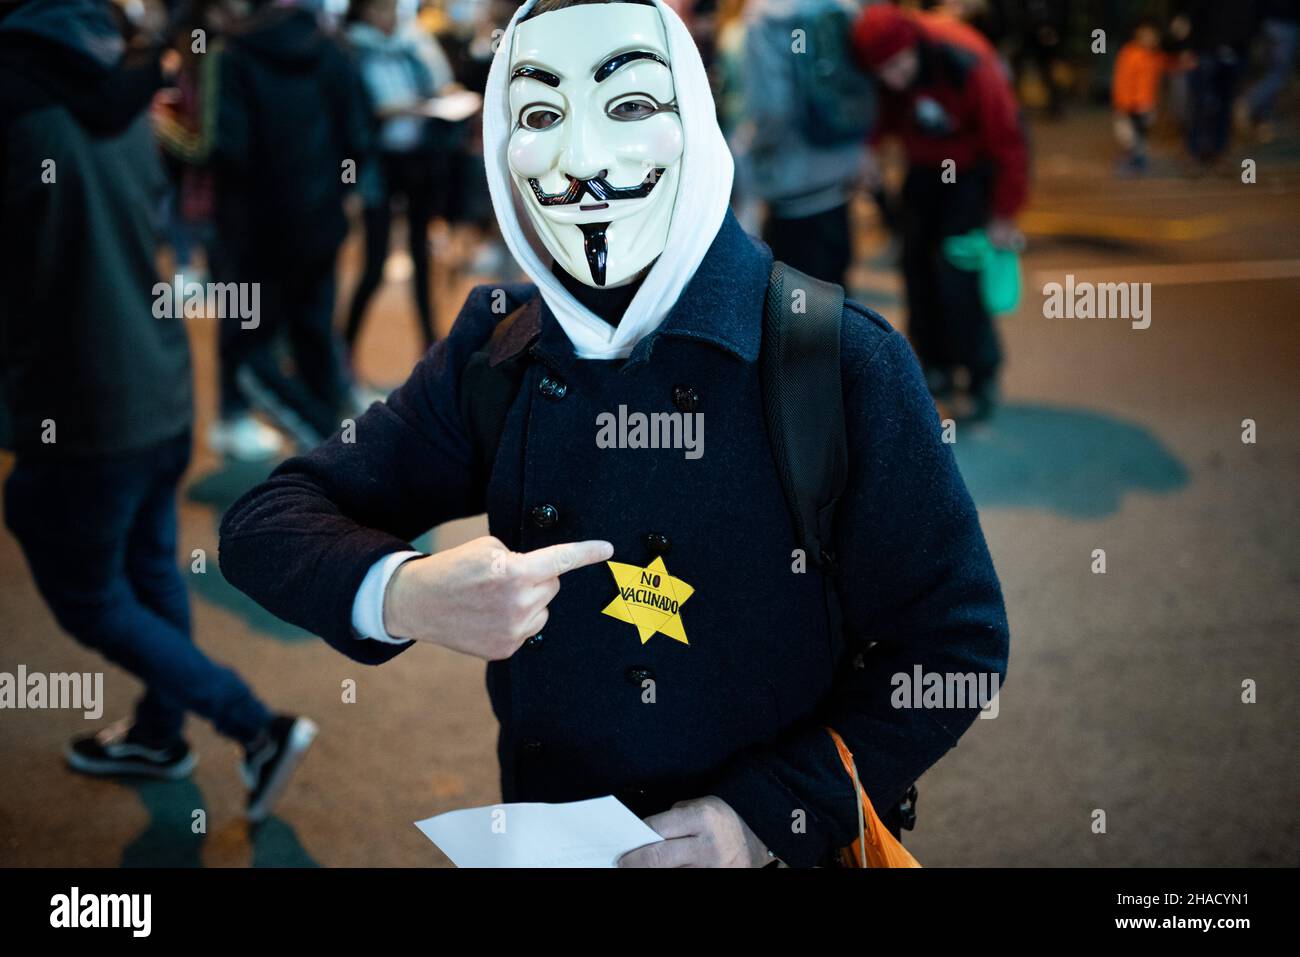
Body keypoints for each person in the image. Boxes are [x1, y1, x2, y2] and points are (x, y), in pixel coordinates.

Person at [220, 0, 1009, 868]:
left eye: (629, 105)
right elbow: (266, 521)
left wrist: (765, 815)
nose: (582, 158)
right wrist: (403, 592)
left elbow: (955, 644)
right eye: (541, 115)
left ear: (696, 121)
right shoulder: (499, 345)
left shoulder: (835, 358)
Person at [0, 0, 314, 820]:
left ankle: (253, 724)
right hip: (159, 379)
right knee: (146, 567)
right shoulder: (126, 76)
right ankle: (160, 731)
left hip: (81, 402)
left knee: (87, 593)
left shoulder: (18, 94)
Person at [853, 3, 1028, 421]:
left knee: (958, 279)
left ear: (912, 46)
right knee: (916, 270)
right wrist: (870, 151)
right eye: (883, 72)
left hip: (971, 176)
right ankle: (933, 370)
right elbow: (885, 112)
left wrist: (1004, 214)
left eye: (897, 66)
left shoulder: (968, 60)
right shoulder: (888, 68)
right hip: (924, 172)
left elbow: (1009, 141)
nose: (893, 79)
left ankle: (980, 374)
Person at [209, 0, 371, 452]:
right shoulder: (333, 49)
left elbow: (230, 147)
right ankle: (324, 442)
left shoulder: (234, 54)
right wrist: (333, 193)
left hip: (253, 230)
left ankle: (239, 418)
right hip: (319, 222)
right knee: (314, 330)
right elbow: (358, 137)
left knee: (248, 331)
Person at [344, 0, 456, 354]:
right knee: (374, 263)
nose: (388, 17)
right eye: (379, 10)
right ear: (363, 13)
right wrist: (389, 112)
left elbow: (441, 86)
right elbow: (353, 113)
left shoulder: (415, 42)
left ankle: (432, 349)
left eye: (392, 9)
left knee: (421, 258)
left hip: (419, 162)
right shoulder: (351, 50)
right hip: (378, 167)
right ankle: (345, 350)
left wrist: (438, 100)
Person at [740, 0, 874, 288]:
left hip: (793, 181)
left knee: (796, 309)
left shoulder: (764, 19)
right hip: (840, 171)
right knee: (836, 297)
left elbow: (772, 109)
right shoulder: (844, 7)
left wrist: (751, 154)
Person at [1171, 1, 1259, 168]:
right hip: (1205, 50)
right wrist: (1187, 48)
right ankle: (1194, 150)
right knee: (1200, 103)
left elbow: (1253, 15)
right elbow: (1190, 16)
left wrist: (1244, 41)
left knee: (1225, 104)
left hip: (1236, 50)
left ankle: (1219, 150)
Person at [1111, 18, 1170, 174]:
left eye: (1152, 35)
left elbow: (1168, 65)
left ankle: (1138, 162)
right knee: (1128, 136)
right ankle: (1132, 161)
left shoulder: (1156, 56)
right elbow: (1122, 80)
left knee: (1141, 136)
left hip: (1146, 105)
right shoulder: (1130, 54)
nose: (1149, 39)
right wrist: (1122, 103)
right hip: (1130, 105)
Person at [1242, 0, 1298, 142]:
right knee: (1279, 75)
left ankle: (1264, 121)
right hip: (1285, 22)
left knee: (1271, 72)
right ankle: (1250, 102)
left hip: (1267, 23)